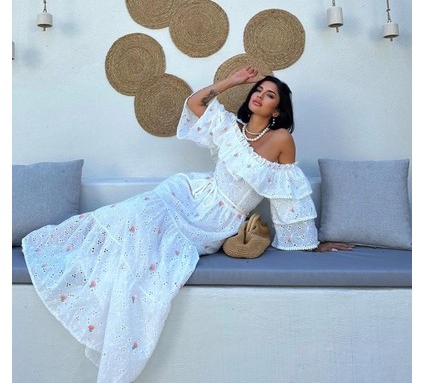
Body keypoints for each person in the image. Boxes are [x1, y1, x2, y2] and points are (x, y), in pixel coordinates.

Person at [22, 66, 353, 383]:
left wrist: (309, 242)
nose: (259, 95)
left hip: (216, 220)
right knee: (132, 212)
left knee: (150, 247)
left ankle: (119, 330)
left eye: (269, 95)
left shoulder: (281, 139)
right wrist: (230, 80)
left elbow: (288, 197)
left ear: (277, 110)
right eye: (258, 89)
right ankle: (61, 249)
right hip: (190, 193)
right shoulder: (231, 129)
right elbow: (194, 104)